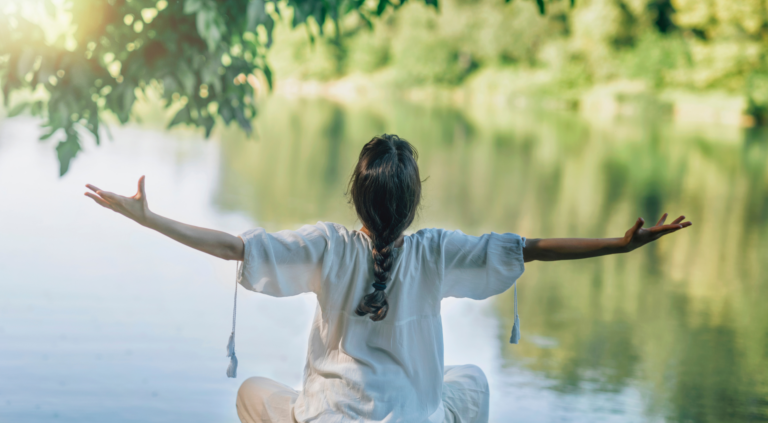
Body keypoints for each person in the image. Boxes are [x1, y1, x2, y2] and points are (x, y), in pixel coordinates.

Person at [84, 134, 692, 423]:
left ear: (356, 195)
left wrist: (149, 218)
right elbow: (531, 250)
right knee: (472, 383)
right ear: (414, 201)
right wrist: (620, 244)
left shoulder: (326, 246)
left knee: (250, 395)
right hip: (413, 418)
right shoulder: (437, 252)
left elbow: (233, 247)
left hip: (327, 417)